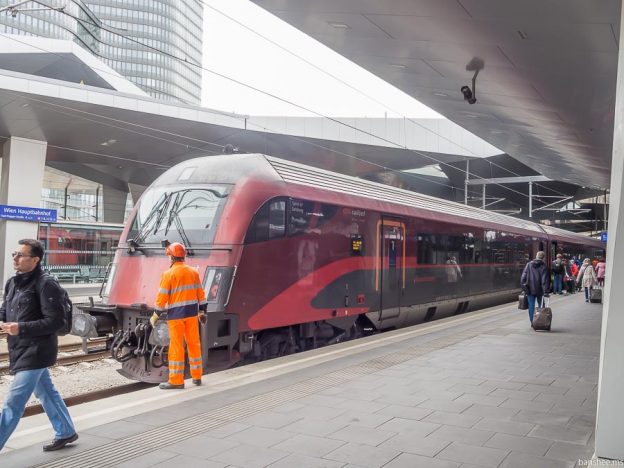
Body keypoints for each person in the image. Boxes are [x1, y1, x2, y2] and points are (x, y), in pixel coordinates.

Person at [0, 239, 78, 452]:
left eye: (21, 255)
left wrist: (21, 328)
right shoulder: (12, 283)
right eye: (15, 254)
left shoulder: (46, 284)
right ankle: (66, 431)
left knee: (13, 402)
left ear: (35, 260)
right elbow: (5, 310)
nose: (15, 258)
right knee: (46, 392)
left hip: (37, 350)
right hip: (19, 348)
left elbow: (56, 321)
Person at [150, 242, 207, 389]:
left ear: (172, 257)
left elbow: (162, 298)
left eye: (168, 256)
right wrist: (202, 312)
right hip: (192, 314)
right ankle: (197, 376)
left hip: (176, 316)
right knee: (194, 344)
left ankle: (176, 381)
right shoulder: (193, 272)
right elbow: (201, 294)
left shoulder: (168, 274)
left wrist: (156, 314)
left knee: (176, 347)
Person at [520, 251, 550, 328]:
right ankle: (541, 321)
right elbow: (544, 280)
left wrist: (524, 288)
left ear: (536, 256)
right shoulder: (544, 266)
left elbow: (523, 278)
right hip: (540, 290)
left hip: (530, 289)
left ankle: (533, 322)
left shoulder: (528, 265)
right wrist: (546, 291)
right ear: (543, 258)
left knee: (531, 306)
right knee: (541, 305)